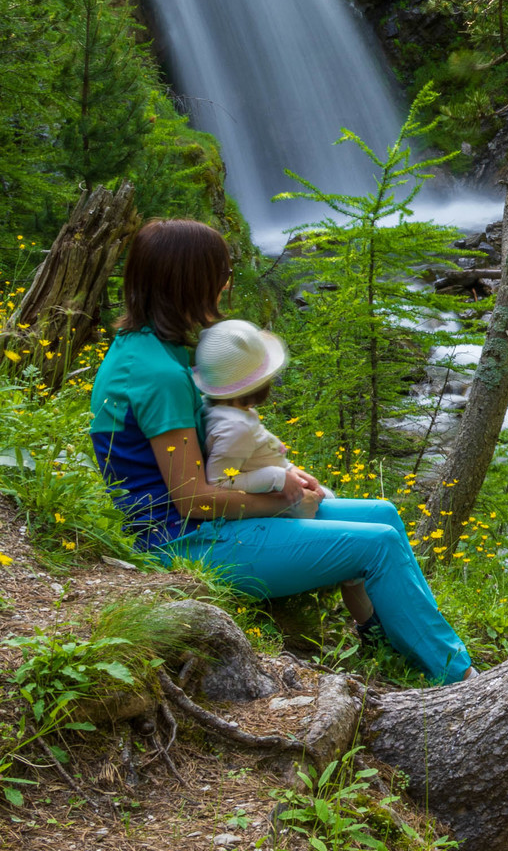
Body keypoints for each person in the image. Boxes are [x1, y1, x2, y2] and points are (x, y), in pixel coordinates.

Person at [89, 218, 473, 686]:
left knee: (385, 515)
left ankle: (393, 643)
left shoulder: (151, 349)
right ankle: (460, 677)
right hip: (182, 543)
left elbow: (219, 455)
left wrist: (284, 474)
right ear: (189, 281)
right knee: (380, 545)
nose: (227, 281)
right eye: (220, 272)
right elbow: (192, 499)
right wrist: (284, 498)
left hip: (200, 527)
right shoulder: (159, 375)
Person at [196, 316, 378, 644]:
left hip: (284, 492)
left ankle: (369, 621)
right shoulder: (234, 427)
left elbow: (254, 457)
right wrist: (278, 477)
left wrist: (290, 469)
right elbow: (220, 482)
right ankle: (371, 628)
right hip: (280, 505)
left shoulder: (229, 413)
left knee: (361, 523)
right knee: (359, 552)